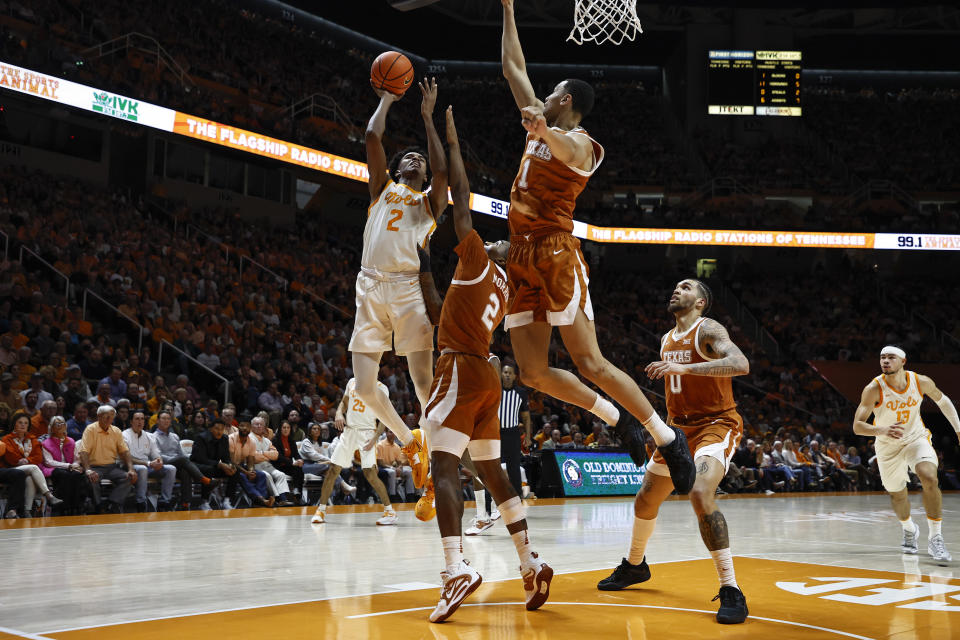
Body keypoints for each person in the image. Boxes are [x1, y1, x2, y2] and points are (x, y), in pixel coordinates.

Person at [498, 0, 694, 490]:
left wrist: (544, 130)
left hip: (556, 253)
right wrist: (507, 8)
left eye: (549, 94)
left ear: (564, 100)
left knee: (590, 361)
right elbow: (512, 66)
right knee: (533, 373)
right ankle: (616, 417)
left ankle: (667, 438)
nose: (541, 96)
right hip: (520, 254)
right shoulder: (539, 123)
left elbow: (568, 150)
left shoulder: (582, 143)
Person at [423, 106, 551, 624]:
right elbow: (442, 309)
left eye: (498, 239)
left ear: (495, 252)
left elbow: (460, 203)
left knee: (444, 467)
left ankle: (455, 567)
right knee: (492, 469)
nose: (491, 236)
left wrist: (453, 145)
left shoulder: (479, 260)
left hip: (459, 370)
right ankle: (529, 561)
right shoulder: (500, 284)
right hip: (486, 376)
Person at [597, 279, 750, 624]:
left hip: (715, 424)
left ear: (700, 302)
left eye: (686, 287)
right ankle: (635, 566)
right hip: (676, 431)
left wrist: (686, 367)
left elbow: (741, 364)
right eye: (676, 287)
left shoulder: (707, 328)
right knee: (644, 502)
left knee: (699, 492)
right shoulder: (666, 339)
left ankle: (731, 588)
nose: (676, 290)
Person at [347, 75, 449, 483]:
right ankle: (411, 442)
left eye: (419, 159)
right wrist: (387, 99)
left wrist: (427, 118)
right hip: (369, 286)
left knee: (424, 384)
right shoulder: (381, 189)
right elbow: (372, 134)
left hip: (408, 289)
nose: (416, 159)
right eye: (408, 156)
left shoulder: (428, 204)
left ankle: (443, 449)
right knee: (364, 388)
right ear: (396, 166)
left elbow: (442, 170)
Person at [852, 346, 960, 563]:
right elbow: (857, 426)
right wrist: (882, 430)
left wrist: (959, 430)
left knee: (929, 476)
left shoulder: (920, 381)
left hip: (915, 439)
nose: (885, 361)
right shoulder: (873, 388)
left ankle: (935, 537)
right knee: (898, 495)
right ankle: (909, 529)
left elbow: (943, 401)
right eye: (882, 357)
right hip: (887, 446)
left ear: (903, 361)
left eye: (891, 357)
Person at [311, 378, 397, 525]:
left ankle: (390, 511)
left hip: (367, 433)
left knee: (370, 473)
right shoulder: (352, 381)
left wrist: (375, 438)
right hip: (349, 431)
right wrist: (339, 413)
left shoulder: (382, 388)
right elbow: (344, 402)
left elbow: (385, 416)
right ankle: (321, 510)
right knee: (333, 469)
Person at [1, 412, 63, 515]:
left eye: (25, 423)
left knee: (30, 478)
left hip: (25, 469)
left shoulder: (33, 439)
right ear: (14, 424)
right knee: (34, 468)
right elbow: (10, 457)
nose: (23, 425)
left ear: (28, 425)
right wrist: (26, 460)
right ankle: (49, 495)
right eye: (20, 422)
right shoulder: (7, 439)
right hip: (11, 468)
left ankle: (27, 510)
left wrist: (27, 460)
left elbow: (38, 457)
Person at [79, 405, 136, 513]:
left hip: (112, 467)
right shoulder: (90, 429)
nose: (110, 419)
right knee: (91, 479)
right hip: (94, 467)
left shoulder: (116, 431)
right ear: (99, 416)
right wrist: (88, 470)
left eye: (112, 417)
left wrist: (131, 469)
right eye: (107, 417)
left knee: (129, 477)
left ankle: (111, 503)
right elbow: (83, 451)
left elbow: (125, 451)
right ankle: (98, 506)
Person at [154, 409, 214, 511]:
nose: (166, 421)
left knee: (185, 471)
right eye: (163, 418)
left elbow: (181, 454)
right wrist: (177, 459)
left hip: (177, 465)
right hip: (162, 464)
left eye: (168, 419)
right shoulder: (153, 436)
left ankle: (185, 503)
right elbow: (157, 456)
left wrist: (180, 459)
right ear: (158, 421)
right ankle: (203, 479)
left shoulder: (175, 436)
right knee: (183, 459)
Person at [123, 411, 176, 511]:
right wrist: (148, 463)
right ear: (131, 421)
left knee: (171, 469)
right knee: (143, 469)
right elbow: (127, 457)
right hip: (130, 466)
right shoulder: (124, 435)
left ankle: (165, 501)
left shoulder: (149, 436)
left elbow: (156, 455)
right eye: (137, 419)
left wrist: (158, 462)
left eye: (142, 419)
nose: (140, 421)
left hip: (148, 465)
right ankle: (141, 502)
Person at [40, 415, 88, 514]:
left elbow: (76, 458)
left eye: (62, 423)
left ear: (66, 426)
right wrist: (69, 466)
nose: (60, 426)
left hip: (69, 468)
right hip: (53, 469)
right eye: (57, 424)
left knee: (77, 474)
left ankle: (76, 506)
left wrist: (75, 465)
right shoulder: (46, 443)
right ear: (52, 428)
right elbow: (49, 462)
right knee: (64, 474)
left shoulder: (70, 441)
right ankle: (63, 506)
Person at [190, 418, 239, 510]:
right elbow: (201, 459)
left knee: (235, 471)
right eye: (217, 429)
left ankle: (227, 500)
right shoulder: (201, 438)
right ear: (211, 429)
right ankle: (204, 502)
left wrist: (229, 465)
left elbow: (226, 458)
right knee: (209, 470)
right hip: (197, 466)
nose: (219, 431)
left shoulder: (224, 438)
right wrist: (220, 465)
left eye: (221, 429)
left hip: (215, 465)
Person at [298, 422, 356, 500]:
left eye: (318, 429)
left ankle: (331, 498)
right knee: (328, 466)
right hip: (306, 465)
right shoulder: (306, 442)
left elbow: (324, 456)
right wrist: (330, 460)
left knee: (329, 473)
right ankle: (344, 487)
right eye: (314, 429)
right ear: (309, 431)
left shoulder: (320, 443)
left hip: (318, 466)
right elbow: (314, 456)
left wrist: (329, 460)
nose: (316, 430)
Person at [250, 416, 297, 507]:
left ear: (264, 427)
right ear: (252, 426)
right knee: (267, 476)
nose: (259, 426)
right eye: (257, 424)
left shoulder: (267, 441)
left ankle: (284, 498)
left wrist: (262, 453)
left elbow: (275, 455)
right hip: (254, 466)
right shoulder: (249, 438)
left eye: (261, 425)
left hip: (268, 465)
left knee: (281, 475)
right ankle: (278, 499)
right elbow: (253, 457)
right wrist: (268, 455)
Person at [227, 421, 274, 507]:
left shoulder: (251, 442)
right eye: (242, 425)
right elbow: (232, 462)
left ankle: (258, 503)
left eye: (247, 426)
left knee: (261, 475)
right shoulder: (231, 438)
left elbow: (250, 460)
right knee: (241, 476)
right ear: (238, 427)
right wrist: (246, 472)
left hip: (242, 466)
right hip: (229, 466)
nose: (245, 428)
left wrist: (251, 471)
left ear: (250, 429)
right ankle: (261, 500)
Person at [271, 420, 306, 503]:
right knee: (296, 469)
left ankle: (297, 494)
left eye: (288, 427)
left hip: (288, 465)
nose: (286, 429)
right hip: (278, 465)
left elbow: (296, 454)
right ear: (280, 429)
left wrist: (300, 460)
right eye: (284, 428)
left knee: (299, 469)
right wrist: (292, 463)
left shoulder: (291, 440)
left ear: (290, 429)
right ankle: (297, 496)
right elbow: (278, 456)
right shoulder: (275, 440)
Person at [376, 430, 414, 502]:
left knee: (409, 471)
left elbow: (399, 462)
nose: (392, 434)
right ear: (386, 433)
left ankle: (410, 495)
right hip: (382, 468)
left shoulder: (396, 446)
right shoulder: (380, 445)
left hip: (392, 467)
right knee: (392, 472)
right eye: (390, 432)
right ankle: (392, 495)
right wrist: (392, 468)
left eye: (394, 432)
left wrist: (399, 467)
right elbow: (380, 462)